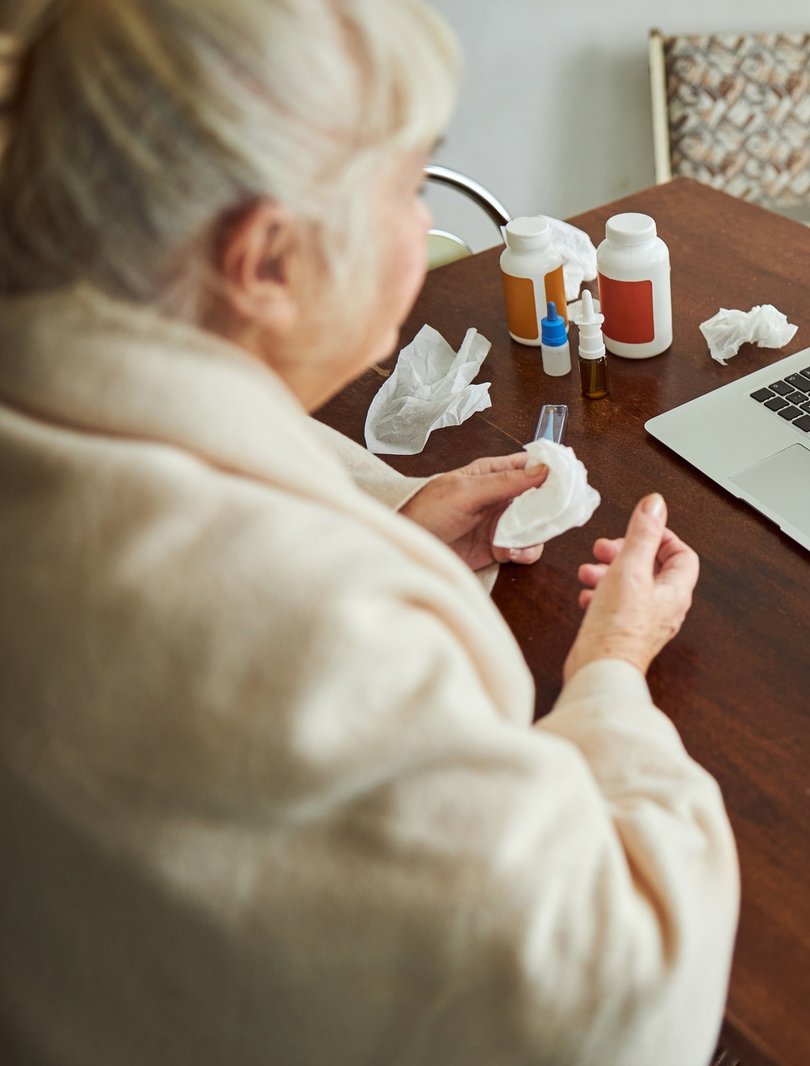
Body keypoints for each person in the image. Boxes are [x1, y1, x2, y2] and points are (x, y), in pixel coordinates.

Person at [0, 2, 737, 1064]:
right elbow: (620, 1002)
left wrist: (402, 527)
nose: (421, 226)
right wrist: (611, 674)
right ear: (264, 260)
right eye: (405, 188)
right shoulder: (318, 637)